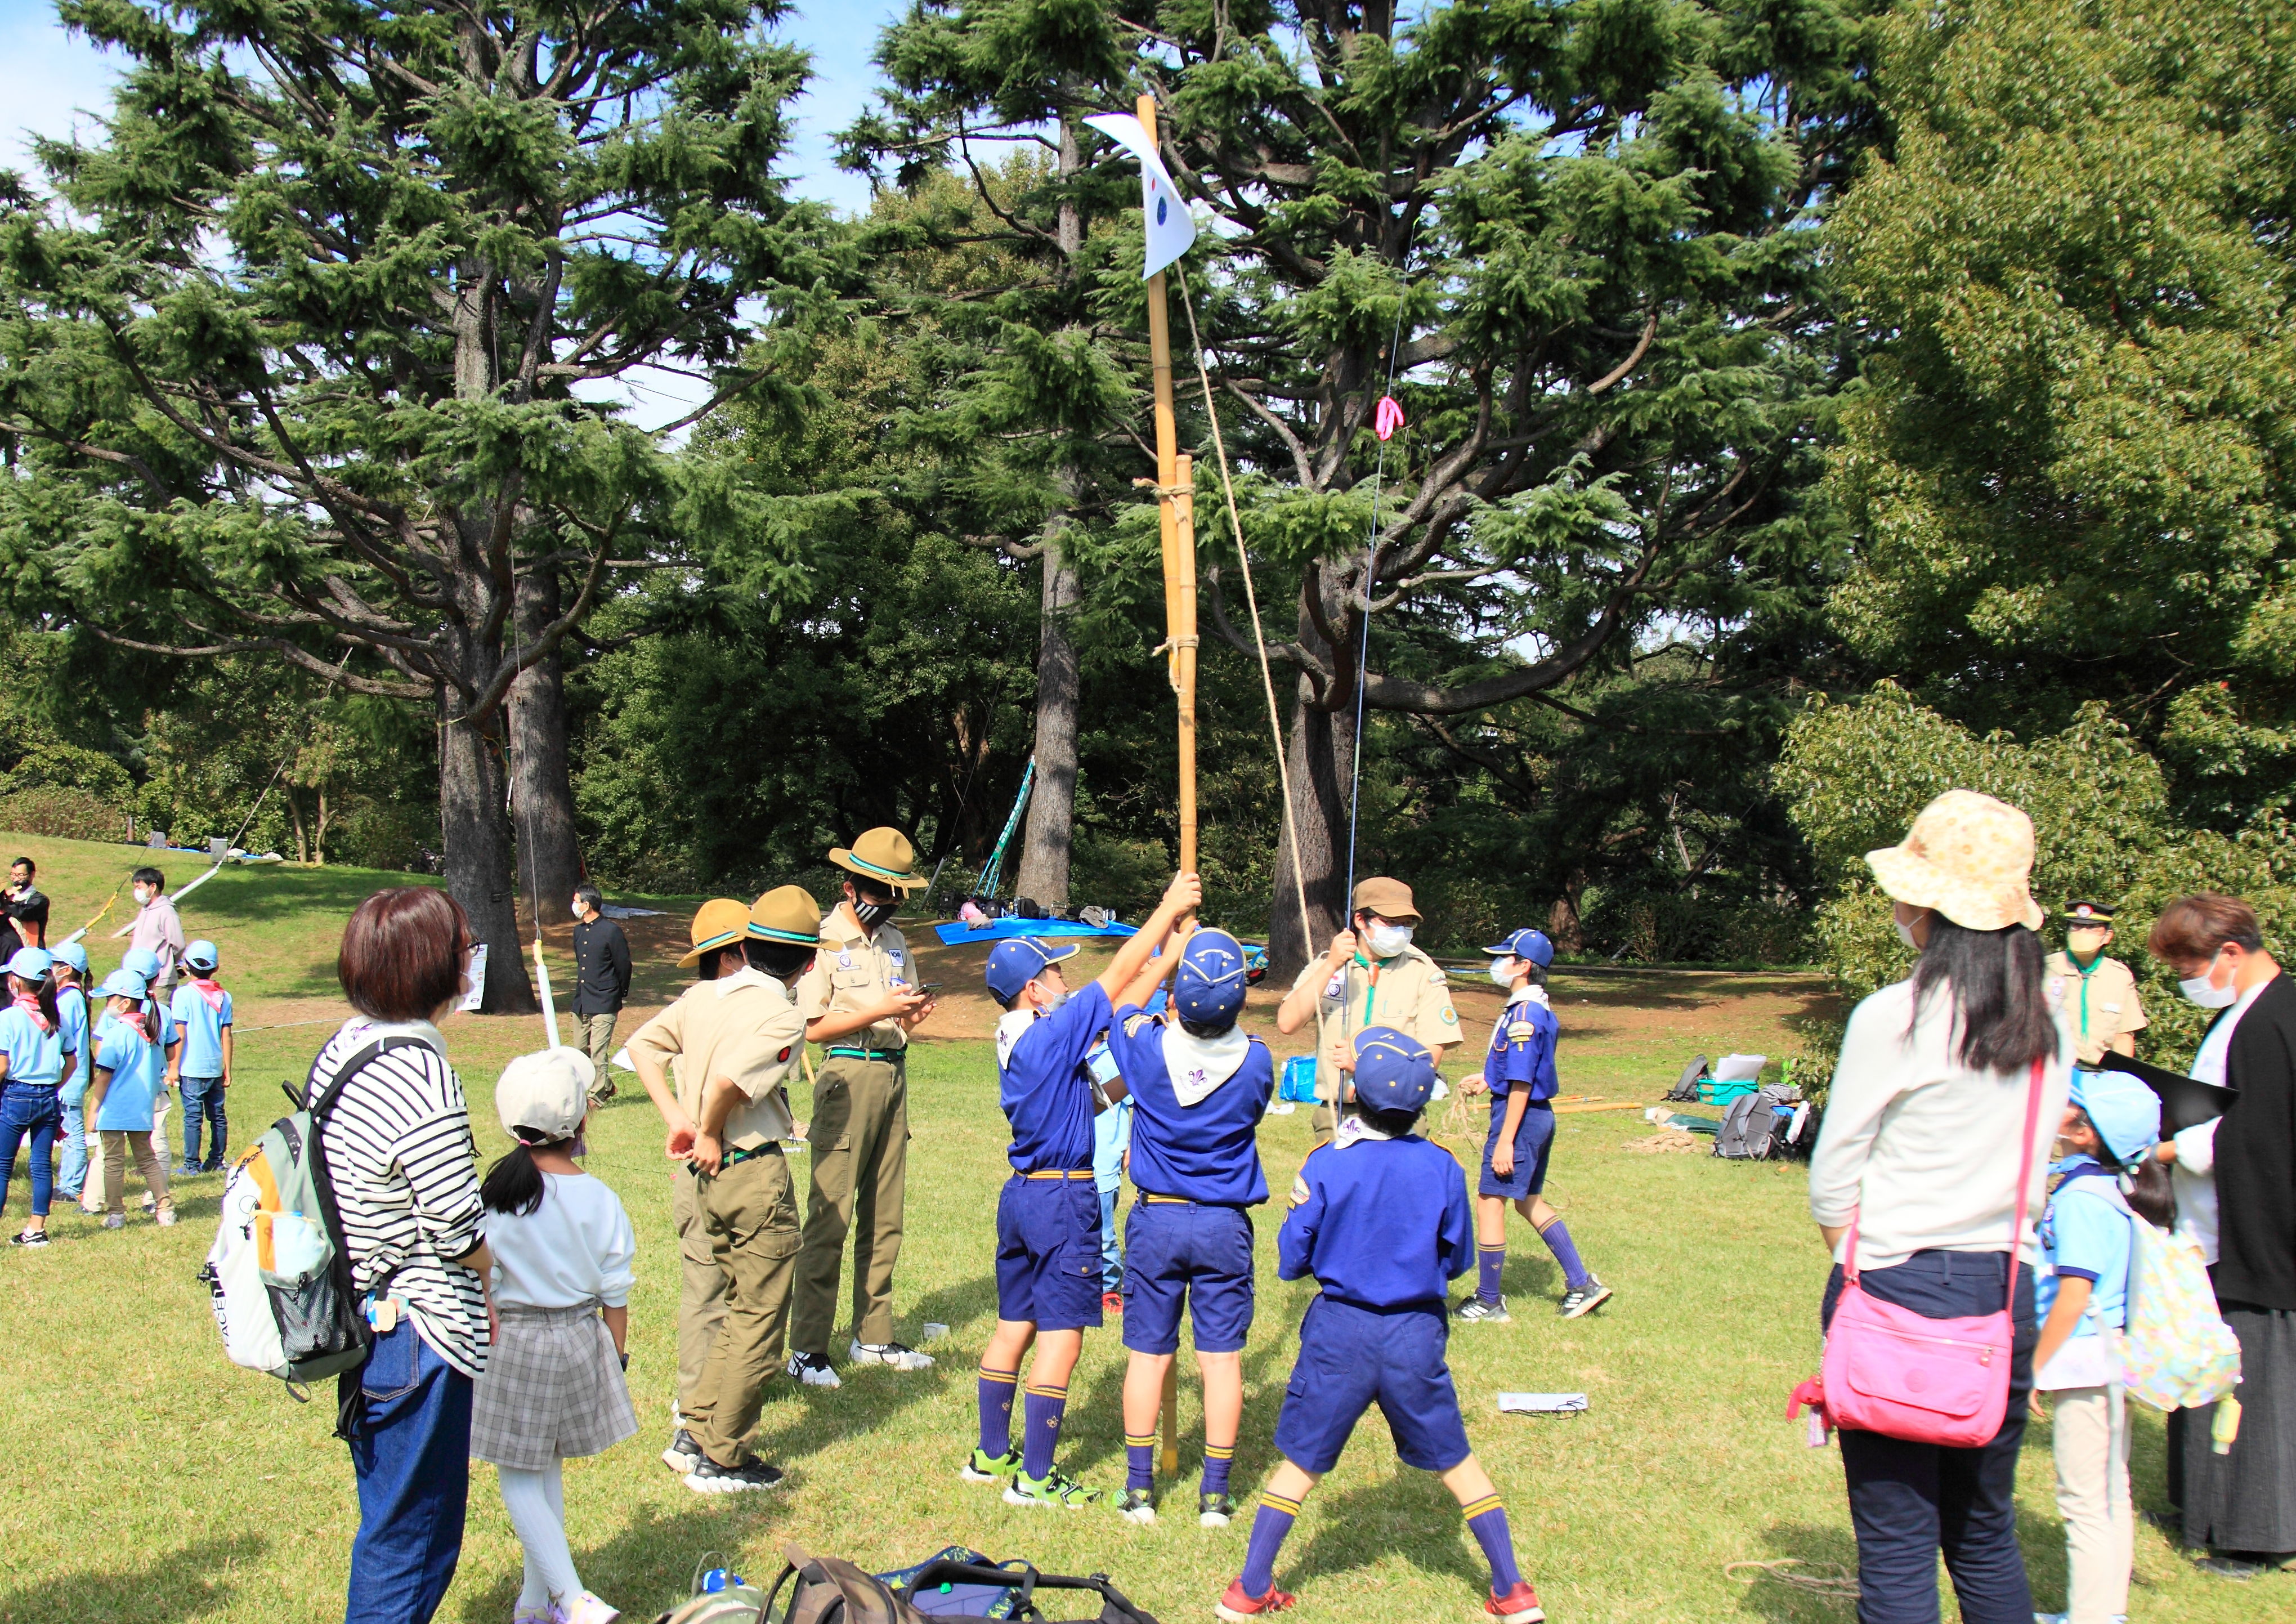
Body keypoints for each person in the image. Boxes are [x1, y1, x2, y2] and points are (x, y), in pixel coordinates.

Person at [1807, 789, 2071, 1624]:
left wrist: (1853, 1264)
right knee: (1984, 1532)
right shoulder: (2048, 1025)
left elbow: (1832, 1176)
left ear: (1932, 907)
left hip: (1895, 1281)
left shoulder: (1896, 1015)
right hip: (2004, 1291)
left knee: (1895, 1544)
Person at [1215, 1026, 1545, 1624]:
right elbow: (1458, 1258)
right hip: (1414, 1334)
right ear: (1422, 1101)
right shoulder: (1442, 1165)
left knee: (1302, 1462)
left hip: (1338, 1332)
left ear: (1355, 1092)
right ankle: (1511, 1587)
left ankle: (1249, 1587)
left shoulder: (1326, 1162)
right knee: (1456, 1460)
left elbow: (1291, 1257)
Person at [965, 870, 1201, 1509]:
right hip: (1062, 1200)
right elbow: (1118, 978)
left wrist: (1169, 961)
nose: (1065, 980)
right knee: (1062, 1336)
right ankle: (1036, 1478)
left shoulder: (1019, 1039)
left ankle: (990, 1455)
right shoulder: (1051, 1030)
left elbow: (1101, 1071)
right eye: (1056, 972)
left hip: (1022, 1197)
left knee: (1013, 1324)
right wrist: (1167, 909)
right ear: (1032, 989)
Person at [315, 886, 496, 1624]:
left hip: (371, 1316)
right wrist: (494, 1276)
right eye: (463, 948)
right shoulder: (418, 1071)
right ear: (432, 965)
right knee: (413, 1538)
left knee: (391, 1522)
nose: (470, 961)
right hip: (418, 1331)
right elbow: (456, 1222)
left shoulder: (347, 1046)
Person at [626, 888, 815, 1494]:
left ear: (748, 946)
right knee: (760, 1314)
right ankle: (723, 1456)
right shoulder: (783, 1013)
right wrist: (704, 1129)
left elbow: (640, 1048)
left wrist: (676, 1121)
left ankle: (696, 1430)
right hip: (749, 1168)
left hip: (705, 1178)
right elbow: (730, 1082)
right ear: (809, 961)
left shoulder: (703, 994)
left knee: (732, 1305)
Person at [1107, 927, 1276, 1529]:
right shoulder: (1257, 1059)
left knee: (1147, 1356)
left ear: (1177, 997)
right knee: (1220, 1361)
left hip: (1157, 1217)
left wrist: (1168, 955)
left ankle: (1138, 1489)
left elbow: (1121, 1002)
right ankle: (1215, 1495)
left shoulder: (1146, 1048)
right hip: (1223, 1223)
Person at [2147, 892, 2296, 1574]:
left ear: (2230, 952)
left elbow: (2253, 1133)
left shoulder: (2271, 1019)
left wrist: (2169, 1149)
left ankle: (2255, 1533)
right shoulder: (2239, 1012)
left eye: (2188, 965)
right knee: (2201, 1362)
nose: (2186, 979)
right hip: (2208, 1226)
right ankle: (2200, 1503)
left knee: (2250, 1379)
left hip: (2253, 1231)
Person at [471, 1047, 638, 1624]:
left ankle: (571, 1598)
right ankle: (534, 1603)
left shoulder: (495, 1195)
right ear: (582, 1120)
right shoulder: (601, 1198)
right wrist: (615, 1355)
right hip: (580, 1339)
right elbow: (615, 1291)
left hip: (514, 1341)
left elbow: (483, 1276)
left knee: (521, 1476)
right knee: (544, 1472)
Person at [787, 826, 936, 1388]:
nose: (890, 902)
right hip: (847, 1075)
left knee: (884, 1214)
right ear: (850, 887)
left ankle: (873, 1334)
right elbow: (812, 1025)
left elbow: (900, 1013)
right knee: (831, 1215)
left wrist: (910, 1016)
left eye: (898, 893)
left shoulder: (894, 940)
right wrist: (878, 1010)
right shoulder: (824, 941)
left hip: (893, 1072)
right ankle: (807, 1348)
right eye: (880, 891)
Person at [2030, 1068, 2163, 1624]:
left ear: (2084, 1131)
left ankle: (2089, 1616)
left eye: (2068, 1104)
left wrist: (2034, 1368)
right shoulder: (2109, 1188)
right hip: (2108, 1362)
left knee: (2082, 1499)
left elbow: (2073, 1295)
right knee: (2110, 1491)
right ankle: (2104, 1612)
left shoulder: (2082, 1198)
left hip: (2083, 1362)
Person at [1457, 928, 1609, 1324]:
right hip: (1534, 1115)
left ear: (1524, 965)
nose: (1497, 964)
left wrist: (1506, 1140)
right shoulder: (1529, 1007)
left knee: (1490, 1200)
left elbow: (1523, 1080)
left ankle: (1489, 1300)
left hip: (1520, 1118)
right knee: (1528, 1200)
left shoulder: (1525, 1014)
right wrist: (1488, 1078)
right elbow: (1520, 1068)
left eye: (1504, 957)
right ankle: (1582, 1284)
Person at [1274, 876, 1458, 1147]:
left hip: (1400, 1115)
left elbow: (1430, 1056)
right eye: (1391, 922)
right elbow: (1287, 1023)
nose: (1401, 931)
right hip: (1339, 1115)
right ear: (1361, 920)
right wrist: (1331, 966)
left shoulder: (1423, 971)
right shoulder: (1328, 965)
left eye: (1408, 923)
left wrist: (1365, 1069)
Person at [83, 967, 174, 1229]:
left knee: (113, 1162)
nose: (106, 1004)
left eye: (109, 999)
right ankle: (165, 1208)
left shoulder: (117, 1034)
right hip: (142, 1107)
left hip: (115, 1108)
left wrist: (93, 1111)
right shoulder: (153, 1033)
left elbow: (104, 1077)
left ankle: (116, 1213)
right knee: (147, 1158)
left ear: (124, 1003)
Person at [0, 947, 75, 1245]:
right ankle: (36, 1230)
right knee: (41, 1165)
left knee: (3, 1166)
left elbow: (2, 1065)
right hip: (48, 1098)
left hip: (16, 1096)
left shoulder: (8, 1018)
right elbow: (72, 1063)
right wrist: (53, 1086)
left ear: (17, 982)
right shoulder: (57, 1018)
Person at [2046, 902, 2147, 1067]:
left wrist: (2120, 1075)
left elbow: (2123, 1036)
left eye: (2092, 928)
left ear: (2107, 936)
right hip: (2052, 1070)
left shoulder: (2119, 976)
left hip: (2099, 1072)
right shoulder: (2045, 968)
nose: (2083, 932)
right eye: (2077, 926)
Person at [168, 939, 233, 1175]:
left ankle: (191, 1165)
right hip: (215, 1065)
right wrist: (227, 1068)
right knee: (217, 1115)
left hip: (191, 1067)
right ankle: (217, 1160)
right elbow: (227, 1035)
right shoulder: (224, 996)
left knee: (193, 1117)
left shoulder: (183, 995)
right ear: (216, 968)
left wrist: (173, 1067)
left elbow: (180, 1034)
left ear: (187, 967)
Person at [569, 885, 631, 1105]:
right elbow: (582, 964)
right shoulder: (578, 931)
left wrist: (619, 993)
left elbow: (623, 965)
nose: (573, 905)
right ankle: (606, 1085)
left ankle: (596, 1097)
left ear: (587, 905)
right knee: (579, 1051)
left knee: (598, 1051)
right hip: (583, 1000)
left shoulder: (611, 931)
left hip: (605, 1000)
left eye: (576, 901)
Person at [1091, 1055, 1133, 1318]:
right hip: (1070, 1161)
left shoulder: (1115, 1058)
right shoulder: (1066, 1052)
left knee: (1103, 1231)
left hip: (1104, 1160)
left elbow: (1137, 1104)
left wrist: (1130, 1145)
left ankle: (1108, 1286)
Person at [52, 943, 91, 1209]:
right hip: (71, 1074)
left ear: (66, 970)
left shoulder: (68, 999)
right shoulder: (70, 997)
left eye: (54, 965)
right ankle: (68, 1182)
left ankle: (71, 1186)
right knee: (68, 1127)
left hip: (70, 1076)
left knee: (73, 1130)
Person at [113, 866, 186, 997]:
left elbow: (178, 944)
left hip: (160, 982)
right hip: (140, 979)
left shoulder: (167, 912)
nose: (136, 892)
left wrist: (168, 963)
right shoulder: (145, 910)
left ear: (153, 887)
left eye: (139, 888)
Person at [6, 856, 50, 948]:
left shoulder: (41, 900)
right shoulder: (8, 896)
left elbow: (23, 913)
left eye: (21, 875)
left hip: (31, 950)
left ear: (32, 875)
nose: (16, 879)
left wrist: (5, 902)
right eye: (13, 875)